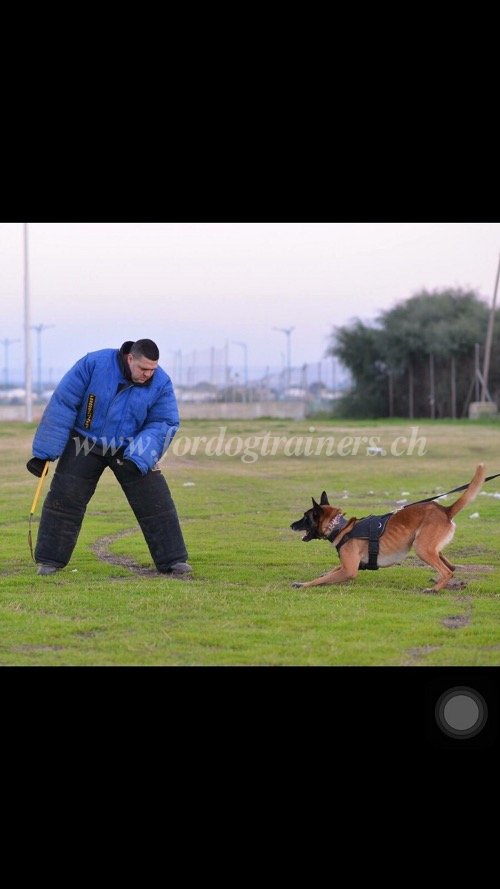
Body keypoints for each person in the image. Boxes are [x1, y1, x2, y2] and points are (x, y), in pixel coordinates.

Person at [27, 339, 192, 578]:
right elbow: (64, 403)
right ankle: (49, 561)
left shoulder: (161, 382)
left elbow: (164, 422)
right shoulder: (93, 364)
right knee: (65, 497)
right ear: (130, 359)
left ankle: (174, 561)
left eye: (152, 370)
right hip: (85, 441)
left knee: (156, 502)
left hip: (130, 447)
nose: (148, 375)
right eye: (143, 369)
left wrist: (141, 454)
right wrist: (44, 454)